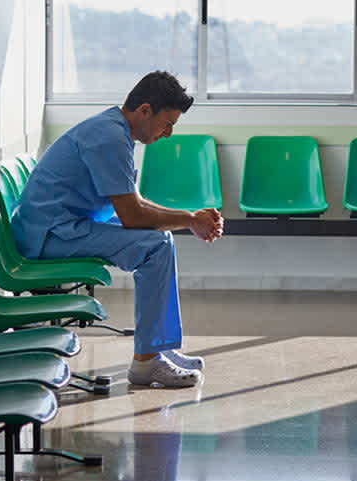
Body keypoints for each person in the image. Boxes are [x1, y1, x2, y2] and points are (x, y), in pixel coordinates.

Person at [12, 71, 223, 388]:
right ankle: (146, 363)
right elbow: (133, 216)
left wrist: (190, 218)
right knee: (156, 246)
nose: (167, 134)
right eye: (167, 124)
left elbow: (134, 203)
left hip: (64, 224)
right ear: (145, 110)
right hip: (49, 235)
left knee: (160, 241)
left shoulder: (115, 130)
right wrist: (191, 219)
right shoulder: (109, 137)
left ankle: (157, 348)